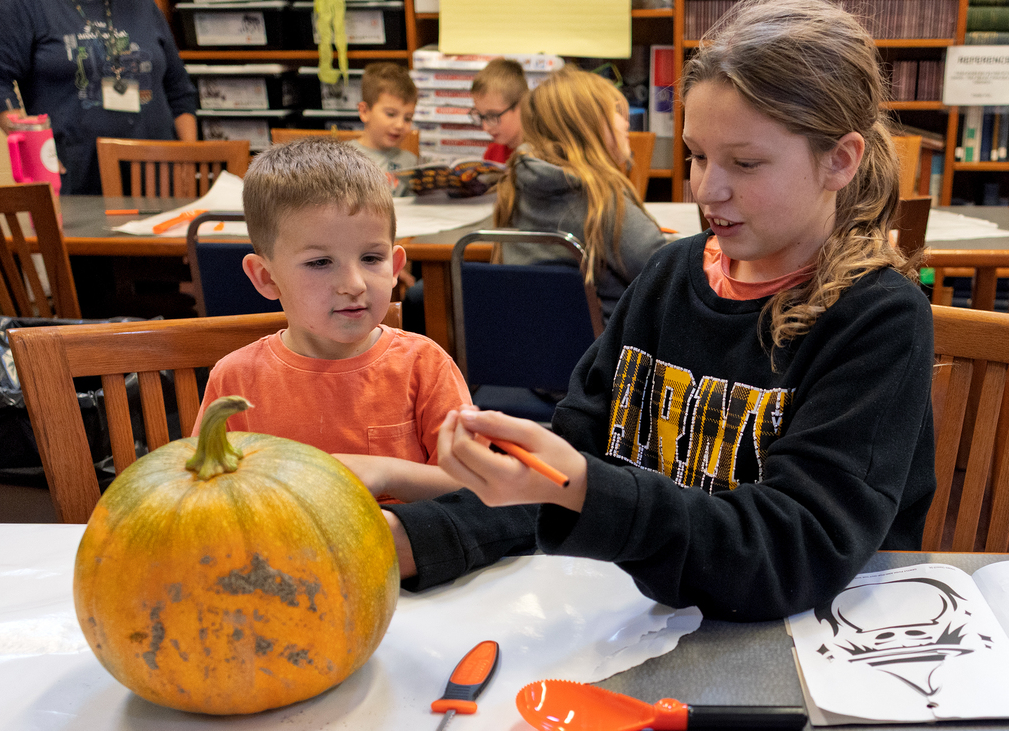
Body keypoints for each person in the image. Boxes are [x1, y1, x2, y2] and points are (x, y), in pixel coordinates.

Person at [384, 0, 937, 622]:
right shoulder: (672, 275)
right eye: (697, 156)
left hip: (811, 648)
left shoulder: (880, 318)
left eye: (745, 163)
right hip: (645, 624)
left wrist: (587, 490)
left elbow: (794, 552)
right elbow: (557, 466)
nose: (706, 189)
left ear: (840, 159)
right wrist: (409, 540)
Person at [192, 138, 470, 505]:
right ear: (265, 277)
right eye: (320, 263)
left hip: (400, 554)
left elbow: (475, 487)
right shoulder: (234, 380)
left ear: (395, 269)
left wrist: (388, 474)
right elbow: (205, 492)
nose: (354, 285)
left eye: (371, 258)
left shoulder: (425, 367)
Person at [493, 66, 670, 324]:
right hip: (610, 356)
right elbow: (667, 272)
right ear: (587, 127)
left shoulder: (516, 187)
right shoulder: (599, 199)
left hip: (531, 351)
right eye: (616, 112)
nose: (626, 121)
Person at [0, 0, 197, 195]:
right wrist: (33, 150)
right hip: (75, 178)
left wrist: (189, 162)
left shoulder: (143, 6)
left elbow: (179, 90)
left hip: (158, 178)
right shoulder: (22, 6)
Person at [347, 62, 418, 197]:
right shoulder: (342, 160)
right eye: (391, 114)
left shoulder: (410, 162)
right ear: (365, 111)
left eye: (408, 118)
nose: (400, 125)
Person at [470, 58, 527, 164]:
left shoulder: (543, 157)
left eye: (492, 116)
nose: (485, 127)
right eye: (481, 116)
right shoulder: (492, 153)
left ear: (521, 105)